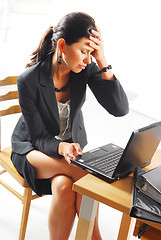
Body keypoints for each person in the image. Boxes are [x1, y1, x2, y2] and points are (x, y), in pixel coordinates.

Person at [11, 12, 129, 240]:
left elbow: (120, 109)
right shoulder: (28, 80)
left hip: (69, 150)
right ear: (63, 46)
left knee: (65, 187)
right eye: (84, 51)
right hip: (31, 149)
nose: (88, 59)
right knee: (87, 176)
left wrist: (102, 59)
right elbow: (37, 137)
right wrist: (61, 148)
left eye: (91, 52)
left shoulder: (84, 69)